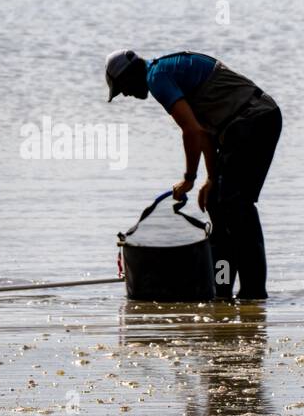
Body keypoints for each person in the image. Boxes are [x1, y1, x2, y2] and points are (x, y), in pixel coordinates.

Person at [105, 50, 280, 299]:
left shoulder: (157, 77)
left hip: (254, 120)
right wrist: (210, 178)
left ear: (130, 75)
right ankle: (222, 289)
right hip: (240, 126)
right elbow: (204, 131)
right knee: (217, 206)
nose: (127, 94)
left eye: (123, 87)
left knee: (236, 207)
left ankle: (254, 292)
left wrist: (189, 178)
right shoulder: (163, 74)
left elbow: (191, 132)